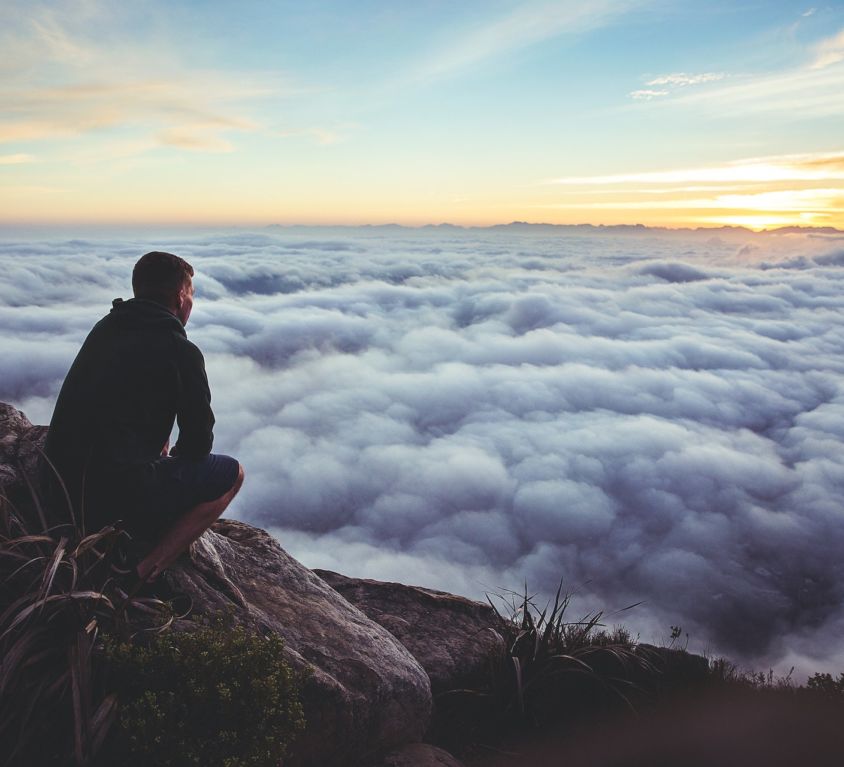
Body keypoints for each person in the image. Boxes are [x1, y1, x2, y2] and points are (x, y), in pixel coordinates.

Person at [44, 251, 244, 585]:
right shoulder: (181, 351)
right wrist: (168, 460)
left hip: (58, 489)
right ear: (181, 298)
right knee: (232, 473)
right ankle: (140, 574)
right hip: (110, 502)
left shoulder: (106, 327)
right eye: (191, 296)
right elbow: (198, 444)